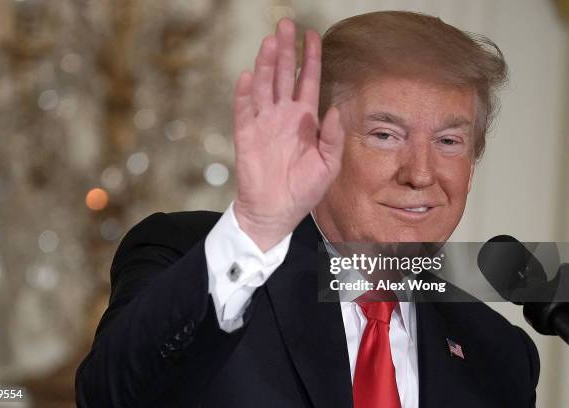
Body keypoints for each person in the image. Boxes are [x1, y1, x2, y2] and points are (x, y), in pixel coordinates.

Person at [75, 11, 539, 407]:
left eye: (449, 142)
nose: (420, 173)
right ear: (317, 142)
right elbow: (109, 396)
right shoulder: (187, 256)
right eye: (384, 134)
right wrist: (257, 227)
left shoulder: (498, 354)